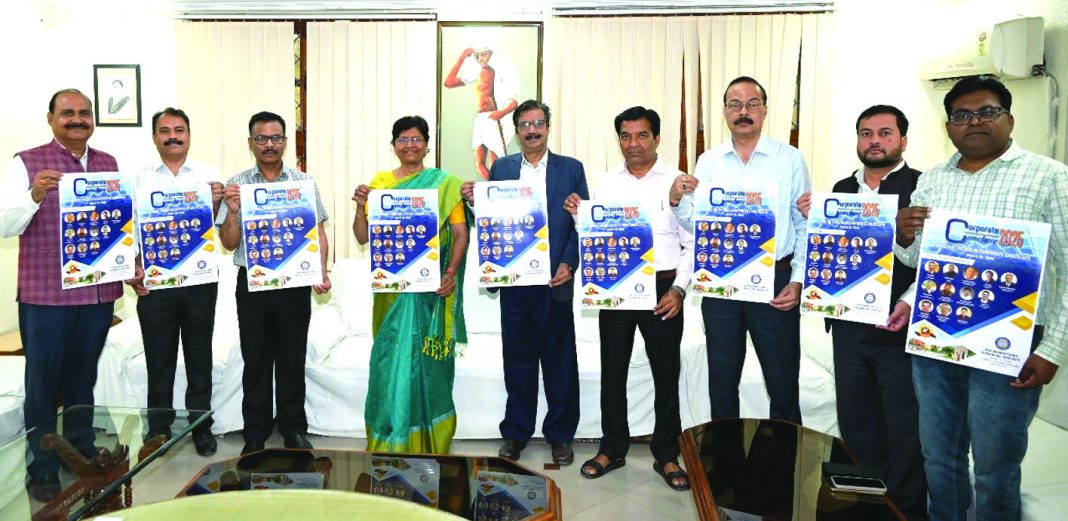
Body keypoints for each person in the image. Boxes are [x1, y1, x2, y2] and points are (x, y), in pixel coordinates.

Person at [890, 76, 1068, 520]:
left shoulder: (1050, 176)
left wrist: (1052, 349)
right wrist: (903, 236)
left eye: (987, 112)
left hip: (1009, 343)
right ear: (948, 126)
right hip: (936, 339)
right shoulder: (933, 179)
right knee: (939, 459)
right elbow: (917, 260)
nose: (974, 122)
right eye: (962, 115)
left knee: (994, 468)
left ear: (1009, 119)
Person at [797, 105, 927, 520]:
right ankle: (864, 505)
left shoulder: (921, 187)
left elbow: (932, 261)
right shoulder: (841, 189)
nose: (874, 141)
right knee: (856, 422)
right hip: (848, 327)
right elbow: (831, 253)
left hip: (897, 328)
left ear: (903, 140)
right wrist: (813, 219)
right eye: (866, 133)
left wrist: (909, 301)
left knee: (903, 427)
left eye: (885, 133)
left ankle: (903, 511)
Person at [0, 89, 121, 501]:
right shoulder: (26, 163)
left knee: (83, 380)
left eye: (84, 113)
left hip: (97, 294)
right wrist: (34, 195)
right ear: (50, 118)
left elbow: (117, 226)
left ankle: (81, 452)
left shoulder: (107, 164)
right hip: (46, 296)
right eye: (67, 113)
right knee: (43, 384)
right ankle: (43, 466)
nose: (77, 119)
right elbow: (5, 225)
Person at [563, 107, 692, 490]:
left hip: (662, 290)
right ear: (618, 139)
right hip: (616, 287)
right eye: (625, 136)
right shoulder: (607, 182)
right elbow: (597, 236)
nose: (633, 143)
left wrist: (678, 290)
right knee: (613, 371)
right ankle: (612, 448)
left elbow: (693, 243)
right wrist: (578, 217)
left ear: (657, 138)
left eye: (642, 135)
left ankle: (667, 453)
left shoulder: (677, 182)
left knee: (665, 373)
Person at [668, 76, 810, 424]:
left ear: (764, 110)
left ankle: (782, 456)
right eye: (735, 105)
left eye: (751, 104)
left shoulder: (790, 159)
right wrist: (676, 202)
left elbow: (803, 223)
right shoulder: (709, 161)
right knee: (721, 382)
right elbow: (699, 225)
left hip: (775, 282)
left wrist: (797, 280)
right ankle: (725, 456)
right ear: (725, 112)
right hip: (722, 282)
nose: (743, 112)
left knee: (782, 383)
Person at [460, 99, 588, 465]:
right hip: (515, 282)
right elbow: (491, 218)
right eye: (525, 125)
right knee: (518, 361)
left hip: (554, 282)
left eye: (538, 124)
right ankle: (516, 432)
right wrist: (474, 202)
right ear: (516, 132)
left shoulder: (571, 169)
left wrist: (568, 263)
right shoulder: (502, 168)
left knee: (559, 362)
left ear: (548, 127)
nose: (532, 131)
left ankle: (560, 435)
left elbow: (581, 224)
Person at [351, 116, 470, 453]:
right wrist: (360, 208)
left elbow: (460, 234)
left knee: (429, 367)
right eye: (403, 140)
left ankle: (429, 437)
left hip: (430, 292)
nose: (410, 145)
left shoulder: (445, 184)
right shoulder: (380, 184)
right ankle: (390, 435)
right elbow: (363, 237)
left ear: (427, 145)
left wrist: (450, 273)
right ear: (394, 146)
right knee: (389, 361)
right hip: (391, 293)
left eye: (416, 139)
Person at [216, 111, 331, 455]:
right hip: (252, 284)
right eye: (262, 138)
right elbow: (229, 243)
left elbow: (318, 232)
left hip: (294, 284)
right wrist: (232, 211)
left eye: (276, 138)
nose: (269, 144)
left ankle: (293, 428)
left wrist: (320, 271)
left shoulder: (303, 183)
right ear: (250, 143)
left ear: (285, 142)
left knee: (292, 357)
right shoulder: (236, 184)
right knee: (256, 358)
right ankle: (255, 431)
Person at [124, 108, 224, 456]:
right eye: (164, 131)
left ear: (189, 135)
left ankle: (200, 426)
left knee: (199, 356)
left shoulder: (209, 176)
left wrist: (217, 203)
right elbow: (129, 232)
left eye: (179, 130)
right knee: (159, 358)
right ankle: (158, 429)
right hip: (156, 285)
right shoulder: (138, 179)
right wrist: (133, 266)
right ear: (154, 137)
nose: (172, 137)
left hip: (199, 283)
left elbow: (221, 226)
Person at [444, 45, 520, 179]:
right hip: (480, 119)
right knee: (479, 164)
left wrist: (502, 113)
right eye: (477, 55)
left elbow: (515, 99)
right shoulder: (477, 73)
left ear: (492, 54)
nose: (480, 58)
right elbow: (448, 83)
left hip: (493, 118)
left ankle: (499, 188)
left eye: (484, 54)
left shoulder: (501, 72)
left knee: (497, 162)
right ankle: (492, 188)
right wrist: (462, 57)